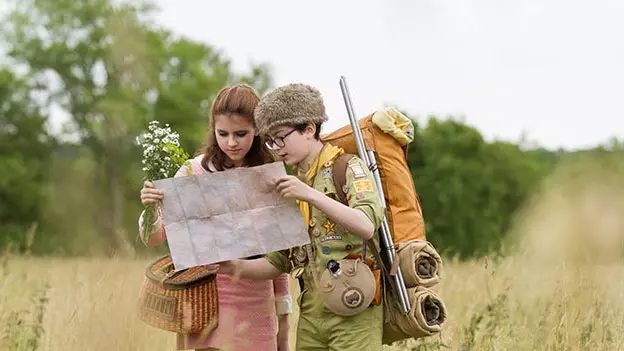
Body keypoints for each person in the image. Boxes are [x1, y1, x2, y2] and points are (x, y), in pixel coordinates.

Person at [218, 83, 385, 350]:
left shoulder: (348, 167)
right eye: (271, 140)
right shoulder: (291, 185)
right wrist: (230, 266)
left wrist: (309, 194)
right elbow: (279, 261)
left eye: (281, 137)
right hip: (311, 315)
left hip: (354, 308)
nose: (277, 147)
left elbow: (366, 225)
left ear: (309, 129)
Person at [138, 83, 292, 351]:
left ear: (257, 129)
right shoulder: (193, 171)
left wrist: (284, 326)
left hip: (256, 307)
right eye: (223, 133)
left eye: (241, 133)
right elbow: (154, 238)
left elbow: (279, 259)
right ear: (213, 130)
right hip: (203, 304)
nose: (231, 142)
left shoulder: (270, 176)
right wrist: (151, 207)